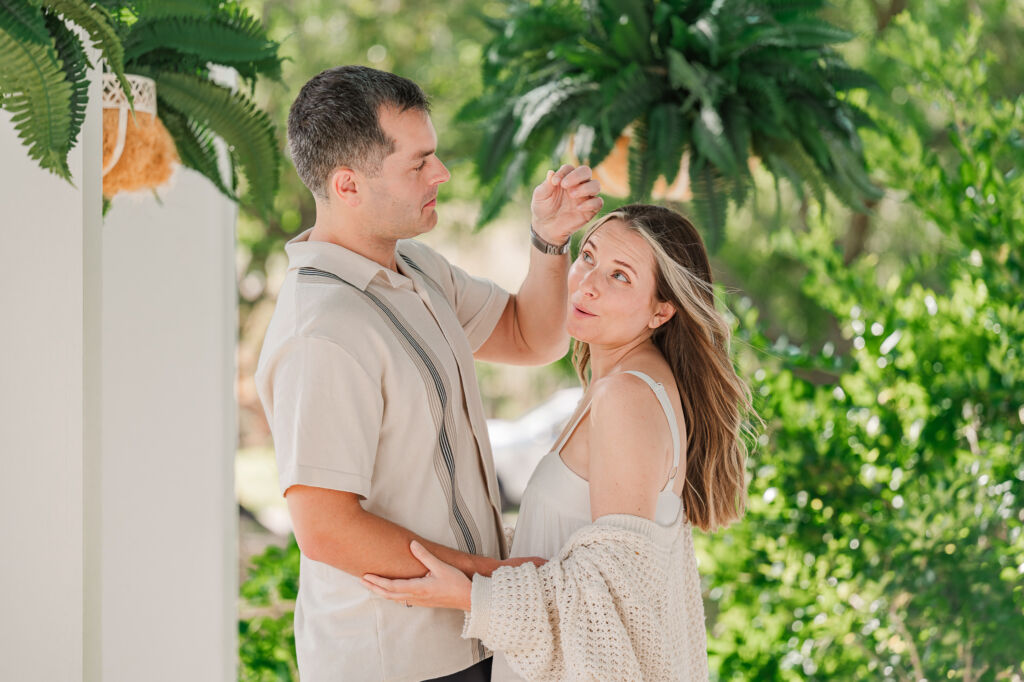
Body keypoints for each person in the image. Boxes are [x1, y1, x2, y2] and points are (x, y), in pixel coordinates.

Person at [254, 65, 602, 682]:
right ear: (348, 185)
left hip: (470, 637)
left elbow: (531, 335)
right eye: (418, 164)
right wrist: (494, 577)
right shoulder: (322, 331)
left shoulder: (415, 266)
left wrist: (549, 241)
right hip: (397, 662)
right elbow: (327, 528)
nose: (440, 174)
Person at [362, 204, 757, 681]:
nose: (587, 283)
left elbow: (611, 590)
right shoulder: (617, 382)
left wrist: (471, 594)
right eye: (587, 256)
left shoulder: (626, 396)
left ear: (662, 310)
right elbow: (579, 549)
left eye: (620, 277)